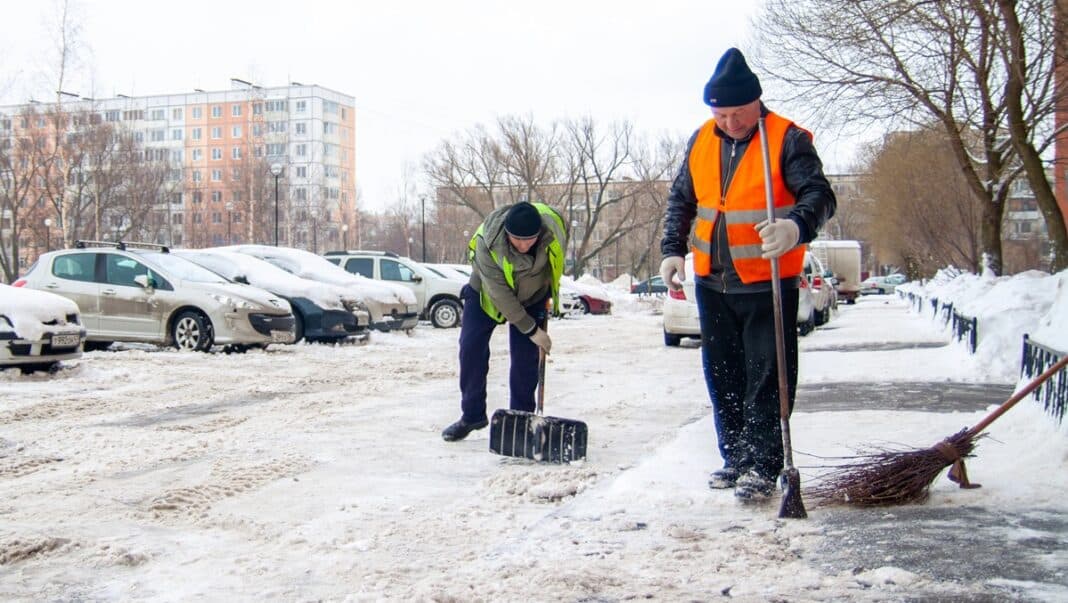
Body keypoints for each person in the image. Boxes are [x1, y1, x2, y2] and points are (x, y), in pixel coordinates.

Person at [659, 48, 836, 502]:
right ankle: (734, 457)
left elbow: (819, 194)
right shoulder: (701, 139)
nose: (731, 122)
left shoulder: (786, 138)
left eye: (738, 113)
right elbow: (682, 199)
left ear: (756, 103)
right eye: (722, 113)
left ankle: (762, 462)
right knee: (723, 375)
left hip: (765, 281)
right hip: (713, 282)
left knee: (766, 375)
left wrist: (795, 225)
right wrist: (673, 251)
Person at [441, 201, 567, 442]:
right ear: (506, 232)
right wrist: (530, 328)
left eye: (528, 239)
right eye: (516, 239)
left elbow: (557, 260)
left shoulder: (554, 231)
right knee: (471, 350)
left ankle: (520, 420)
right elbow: (500, 293)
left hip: (533, 296)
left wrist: (547, 290)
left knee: (525, 361)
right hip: (486, 294)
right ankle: (472, 415)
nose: (522, 245)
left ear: (539, 233)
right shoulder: (486, 242)